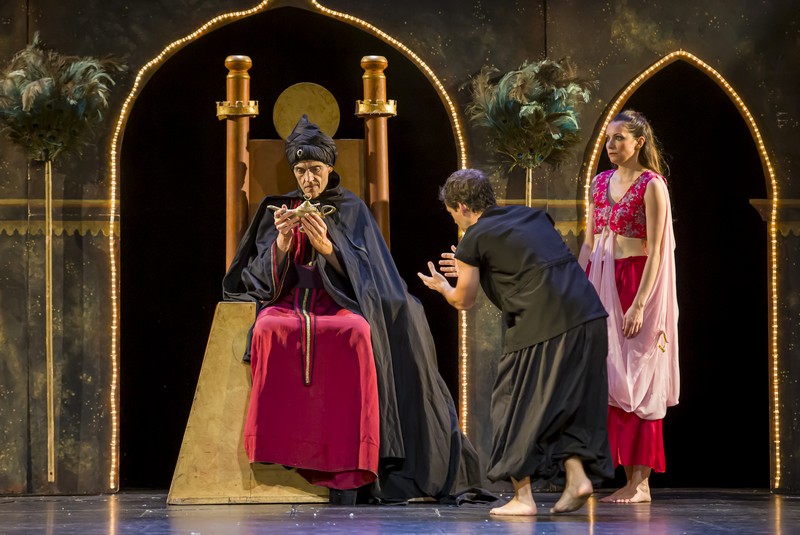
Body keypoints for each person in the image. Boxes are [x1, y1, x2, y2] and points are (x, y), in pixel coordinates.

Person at [223, 115, 487, 505]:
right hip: (291, 301)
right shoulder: (278, 209)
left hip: (339, 301)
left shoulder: (351, 208)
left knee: (359, 331)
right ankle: (280, 448)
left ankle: (353, 457)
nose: (308, 178)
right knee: (265, 329)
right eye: (301, 170)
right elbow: (254, 278)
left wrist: (330, 250)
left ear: (330, 168)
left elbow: (371, 271)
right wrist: (281, 243)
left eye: (315, 169)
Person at [418, 168, 612, 516]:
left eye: (452, 215)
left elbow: (464, 300)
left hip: (542, 323)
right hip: (588, 315)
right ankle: (577, 478)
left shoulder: (474, 236)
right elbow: (525, 260)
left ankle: (523, 498)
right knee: (565, 401)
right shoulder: (531, 216)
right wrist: (473, 264)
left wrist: (445, 286)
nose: (456, 223)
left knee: (510, 404)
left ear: (462, 207)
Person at [579, 109, 680, 504]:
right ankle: (627, 478)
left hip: (637, 282)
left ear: (639, 142)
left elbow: (657, 251)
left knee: (640, 376)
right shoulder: (599, 182)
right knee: (612, 377)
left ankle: (641, 483)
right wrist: (579, 287)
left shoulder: (652, 185)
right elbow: (590, 241)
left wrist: (639, 305)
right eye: (609, 138)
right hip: (602, 280)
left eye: (619, 137)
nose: (611, 144)